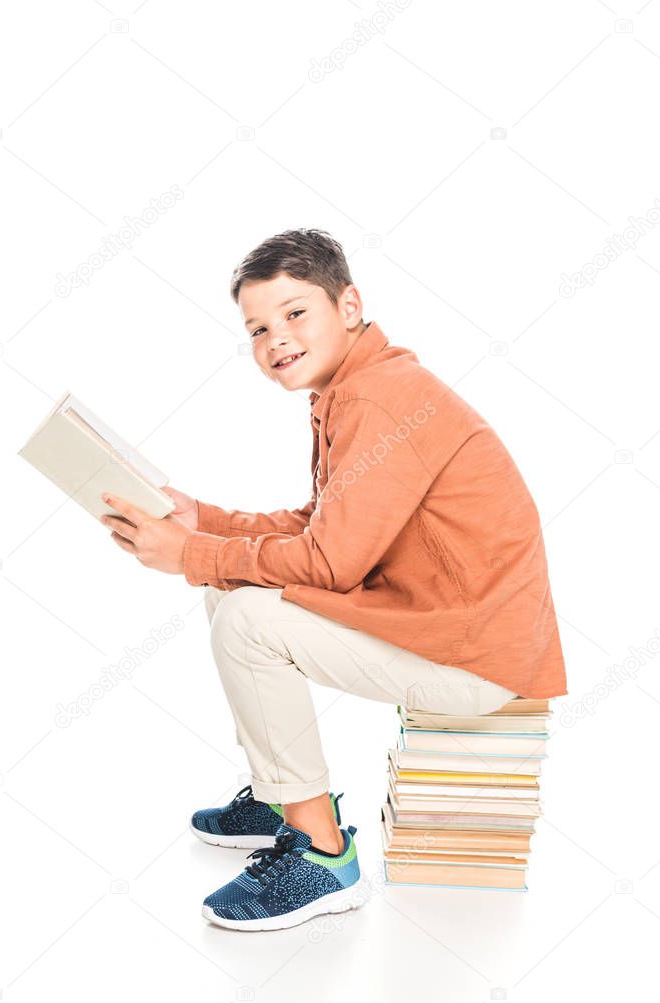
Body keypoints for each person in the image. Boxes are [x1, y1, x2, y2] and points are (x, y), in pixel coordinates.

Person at [101, 228, 568, 931]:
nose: (275, 339)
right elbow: (322, 524)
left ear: (348, 303)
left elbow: (330, 563)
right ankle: (279, 793)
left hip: (471, 660)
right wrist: (206, 522)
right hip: (446, 630)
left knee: (246, 615)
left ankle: (322, 857)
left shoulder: (375, 399)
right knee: (228, 587)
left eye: (294, 314)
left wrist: (192, 550)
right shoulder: (364, 384)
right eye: (257, 327)